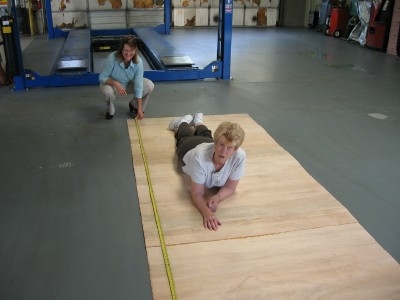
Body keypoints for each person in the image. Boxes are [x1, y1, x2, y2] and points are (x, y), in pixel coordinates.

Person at [169, 112, 246, 231]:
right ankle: (183, 122)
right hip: (190, 147)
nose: (223, 151)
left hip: (207, 143)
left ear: (235, 149)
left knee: (206, 134)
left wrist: (218, 197)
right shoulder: (199, 157)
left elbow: (231, 188)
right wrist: (207, 213)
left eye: (229, 148)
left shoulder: (239, 156)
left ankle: (198, 122)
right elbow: (197, 193)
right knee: (184, 136)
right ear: (216, 143)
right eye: (221, 145)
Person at [99, 36, 154, 120]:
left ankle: (134, 105)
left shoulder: (138, 62)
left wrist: (140, 109)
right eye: (126, 50)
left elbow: (139, 85)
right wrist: (115, 83)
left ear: (135, 50)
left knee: (149, 85)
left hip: (128, 84)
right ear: (121, 50)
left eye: (131, 50)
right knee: (107, 92)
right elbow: (102, 77)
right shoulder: (112, 58)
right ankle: (110, 108)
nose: (128, 54)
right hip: (112, 86)